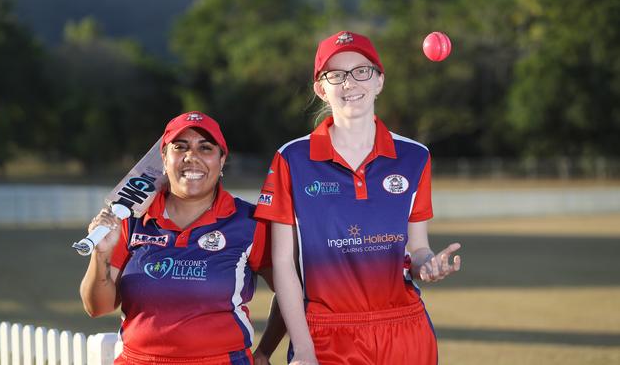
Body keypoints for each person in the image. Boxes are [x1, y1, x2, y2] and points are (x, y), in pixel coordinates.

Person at [254, 31, 461, 364]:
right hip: (327, 334)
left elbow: (417, 247)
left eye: (362, 71)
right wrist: (304, 348)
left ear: (379, 81)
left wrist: (428, 265)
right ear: (322, 89)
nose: (350, 83)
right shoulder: (292, 159)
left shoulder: (414, 156)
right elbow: (283, 266)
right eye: (336, 75)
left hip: (404, 328)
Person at [80, 111, 285, 365]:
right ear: (164, 159)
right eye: (180, 147)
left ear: (222, 161)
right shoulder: (132, 219)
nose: (192, 157)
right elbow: (96, 307)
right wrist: (101, 254)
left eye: (206, 148)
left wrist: (265, 351)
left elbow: (292, 291)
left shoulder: (249, 222)